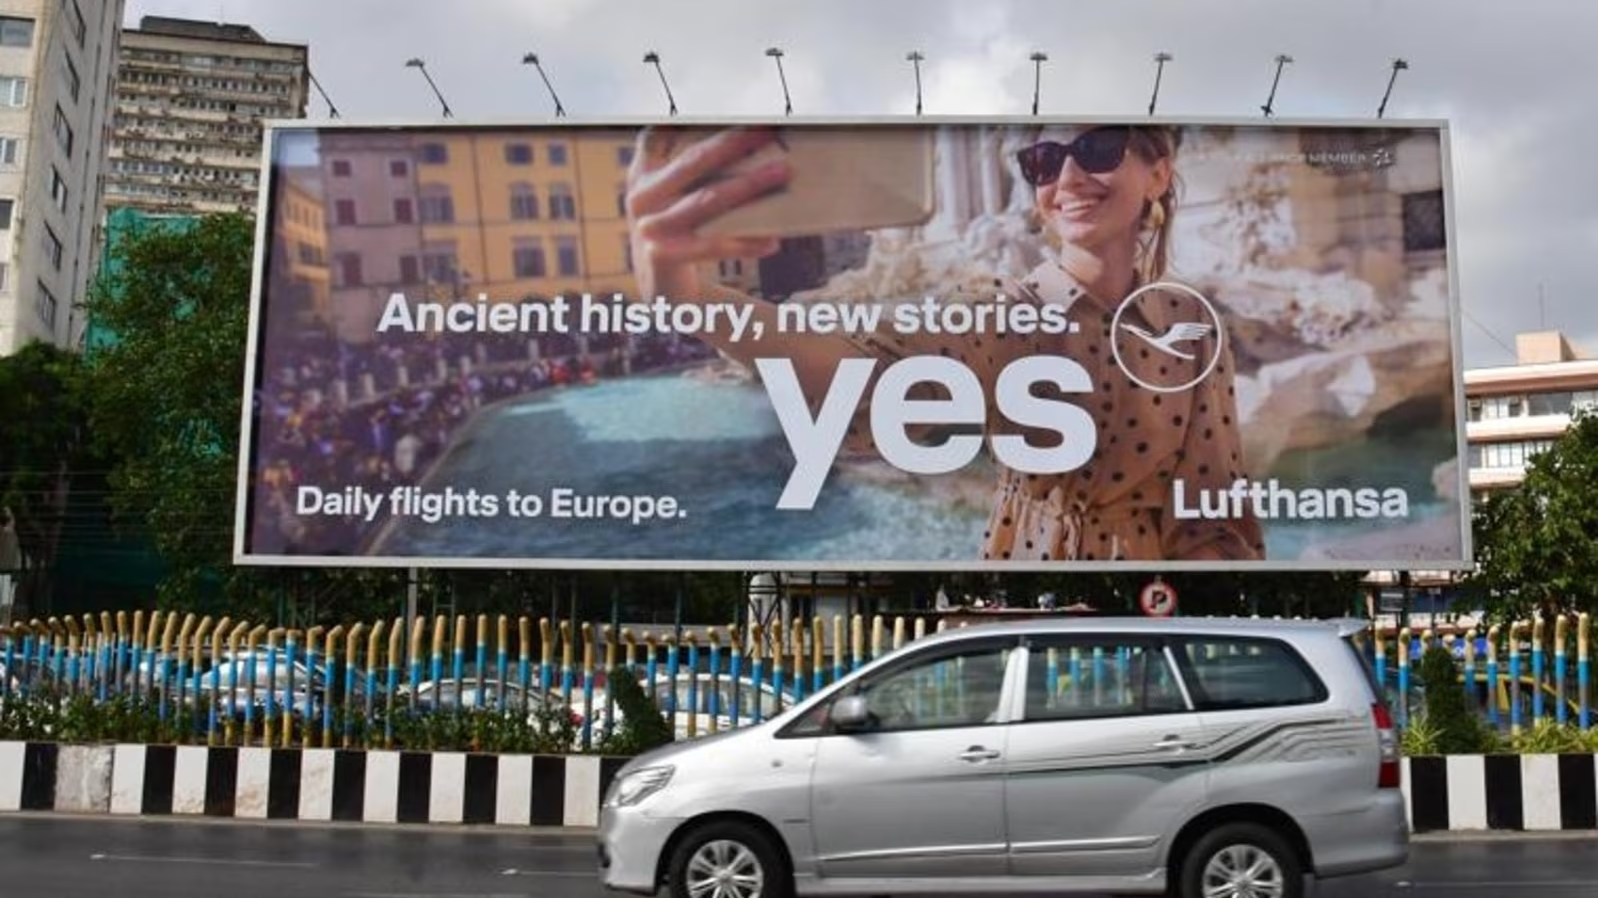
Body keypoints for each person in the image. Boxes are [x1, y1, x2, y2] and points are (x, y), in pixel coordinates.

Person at [623, 124, 1262, 562]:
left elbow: (1216, 508)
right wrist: (692, 301)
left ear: (1158, 173)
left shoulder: (1190, 325)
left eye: (1097, 148)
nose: (1066, 175)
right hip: (1042, 610)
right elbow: (866, 373)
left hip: (1165, 619)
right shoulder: (1005, 314)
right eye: (1042, 160)